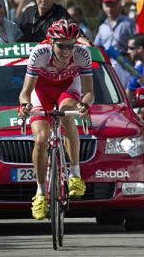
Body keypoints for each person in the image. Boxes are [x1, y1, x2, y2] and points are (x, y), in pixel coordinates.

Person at [19, 20, 94, 220]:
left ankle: (75, 174)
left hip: (67, 89)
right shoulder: (39, 53)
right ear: (51, 42)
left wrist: (85, 106)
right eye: (61, 45)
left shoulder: (82, 53)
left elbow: (89, 92)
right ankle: (41, 192)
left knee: (66, 113)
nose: (67, 50)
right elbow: (25, 92)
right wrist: (25, 106)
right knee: (41, 140)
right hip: (41, 90)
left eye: (71, 45)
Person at [17, 0, 90, 44]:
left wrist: (85, 42)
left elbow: (78, 35)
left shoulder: (61, 13)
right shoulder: (28, 12)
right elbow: (14, 32)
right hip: (26, 57)